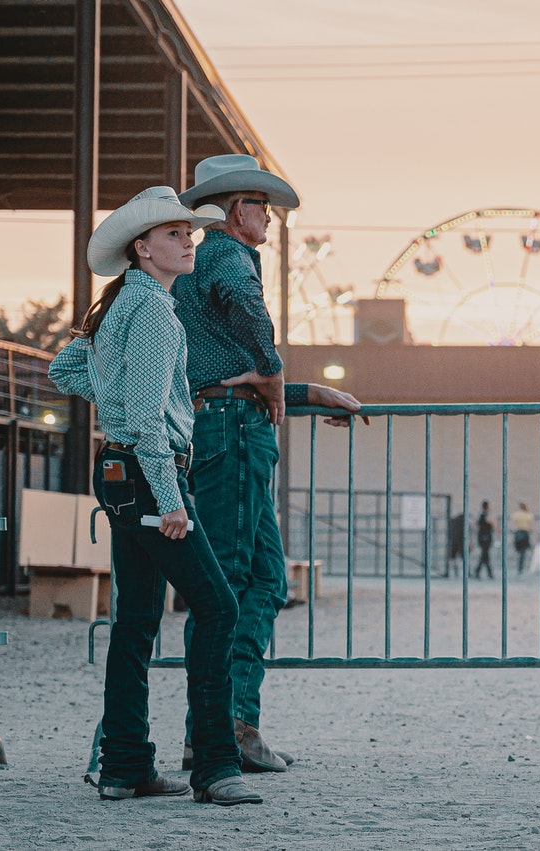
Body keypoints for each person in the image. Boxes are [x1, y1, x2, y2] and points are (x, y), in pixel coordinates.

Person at [49, 186, 260, 805]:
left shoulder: (130, 305)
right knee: (218, 608)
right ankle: (217, 767)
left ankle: (125, 767)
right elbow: (145, 417)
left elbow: (66, 368)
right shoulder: (151, 313)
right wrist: (169, 499)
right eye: (174, 234)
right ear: (142, 248)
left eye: (189, 233)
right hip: (148, 475)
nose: (188, 241)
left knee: (137, 621)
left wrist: (111, 396)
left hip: (121, 471)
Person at [172, 154, 364, 774]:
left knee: (261, 578)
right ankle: (215, 731)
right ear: (237, 209)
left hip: (231, 421)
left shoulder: (207, 260)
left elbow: (233, 369)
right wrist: (280, 380)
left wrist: (303, 392)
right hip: (232, 427)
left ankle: (233, 722)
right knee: (236, 580)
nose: (271, 220)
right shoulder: (227, 258)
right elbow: (249, 343)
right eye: (263, 206)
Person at [510, 501, 534, 573]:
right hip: (525, 533)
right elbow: (531, 525)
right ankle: (520, 567)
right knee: (523, 552)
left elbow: (511, 524)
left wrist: (513, 531)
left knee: (518, 550)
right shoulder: (528, 514)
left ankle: (518, 566)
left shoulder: (515, 514)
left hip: (518, 533)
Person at [474, 501, 495, 579]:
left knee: (485, 555)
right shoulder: (488, 515)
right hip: (487, 537)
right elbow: (493, 525)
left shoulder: (479, 515)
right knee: (484, 555)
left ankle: (485, 572)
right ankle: (479, 572)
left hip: (481, 537)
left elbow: (476, 525)